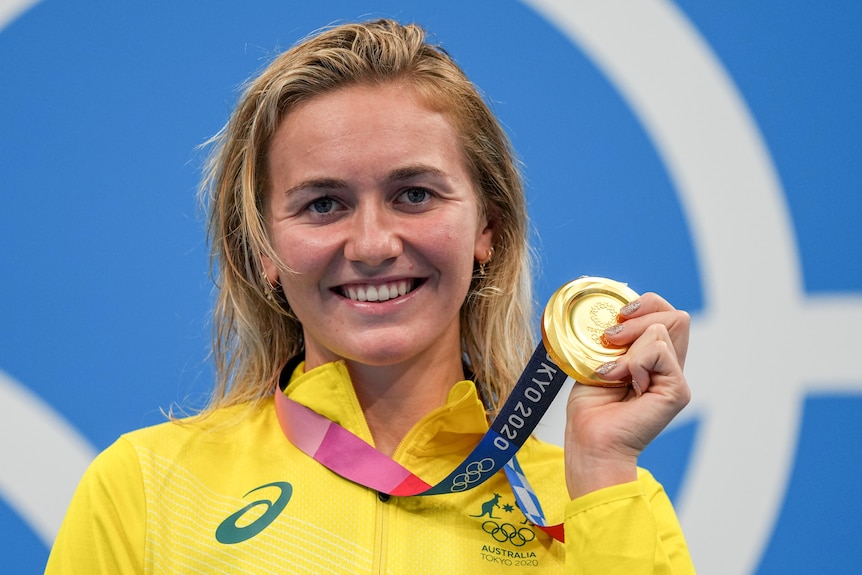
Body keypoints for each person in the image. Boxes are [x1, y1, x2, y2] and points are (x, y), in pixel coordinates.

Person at [46, 19, 695, 574]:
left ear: (487, 228)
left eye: (414, 194)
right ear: (263, 252)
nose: (373, 243)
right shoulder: (145, 489)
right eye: (323, 204)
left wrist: (603, 466)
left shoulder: (596, 496)